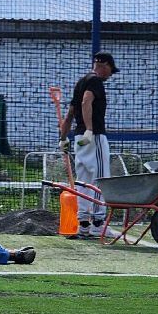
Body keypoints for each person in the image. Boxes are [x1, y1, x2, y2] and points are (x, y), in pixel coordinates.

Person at [60, 50, 118, 238]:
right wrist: (90, 129)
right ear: (105, 66)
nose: (110, 75)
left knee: (83, 180)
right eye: (111, 70)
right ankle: (98, 224)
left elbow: (70, 114)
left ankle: (84, 224)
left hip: (79, 139)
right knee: (101, 178)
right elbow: (86, 102)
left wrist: (63, 138)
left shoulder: (81, 82)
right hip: (94, 137)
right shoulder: (95, 81)